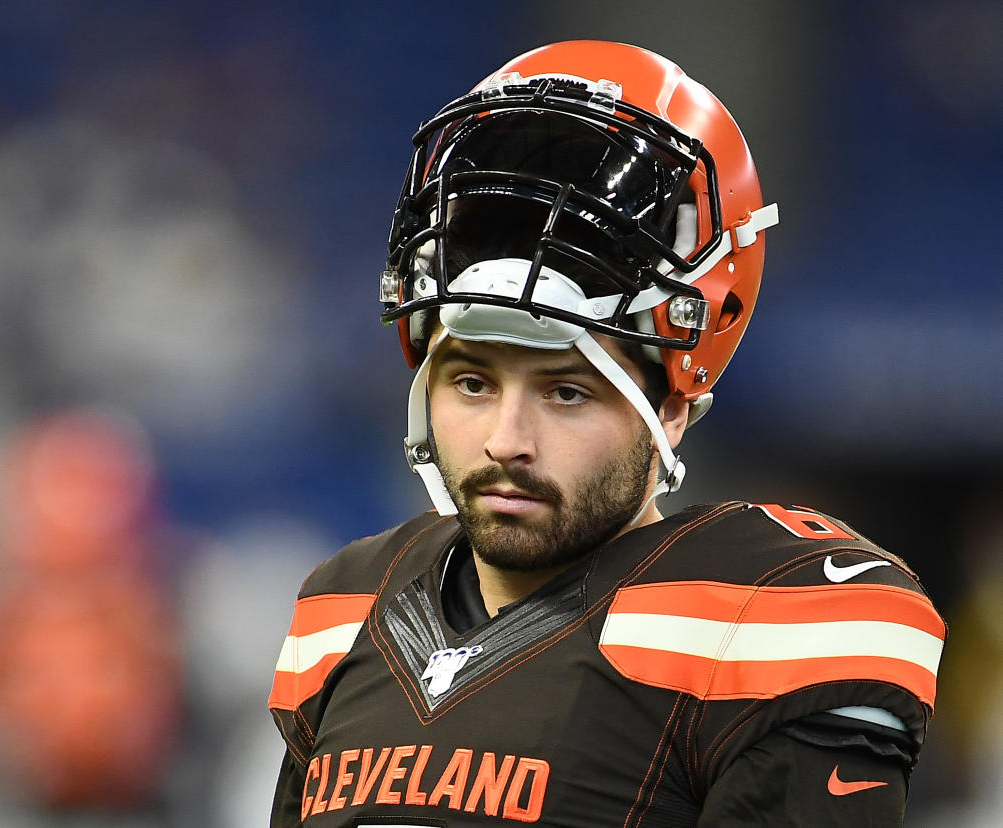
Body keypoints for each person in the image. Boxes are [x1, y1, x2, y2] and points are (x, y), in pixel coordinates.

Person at [268, 41, 944, 826]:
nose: (504, 440)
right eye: (473, 384)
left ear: (671, 410)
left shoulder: (765, 619)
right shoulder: (345, 608)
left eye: (565, 392)